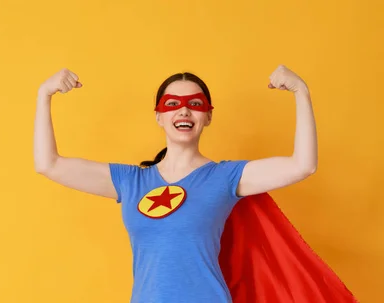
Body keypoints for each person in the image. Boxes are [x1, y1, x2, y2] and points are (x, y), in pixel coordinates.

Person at [33, 67, 356, 302]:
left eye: (195, 104)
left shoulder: (226, 177)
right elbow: (49, 164)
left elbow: (303, 165)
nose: (184, 110)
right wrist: (44, 95)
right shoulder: (131, 181)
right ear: (158, 116)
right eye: (172, 104)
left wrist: (301, 91)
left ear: (208, 117)